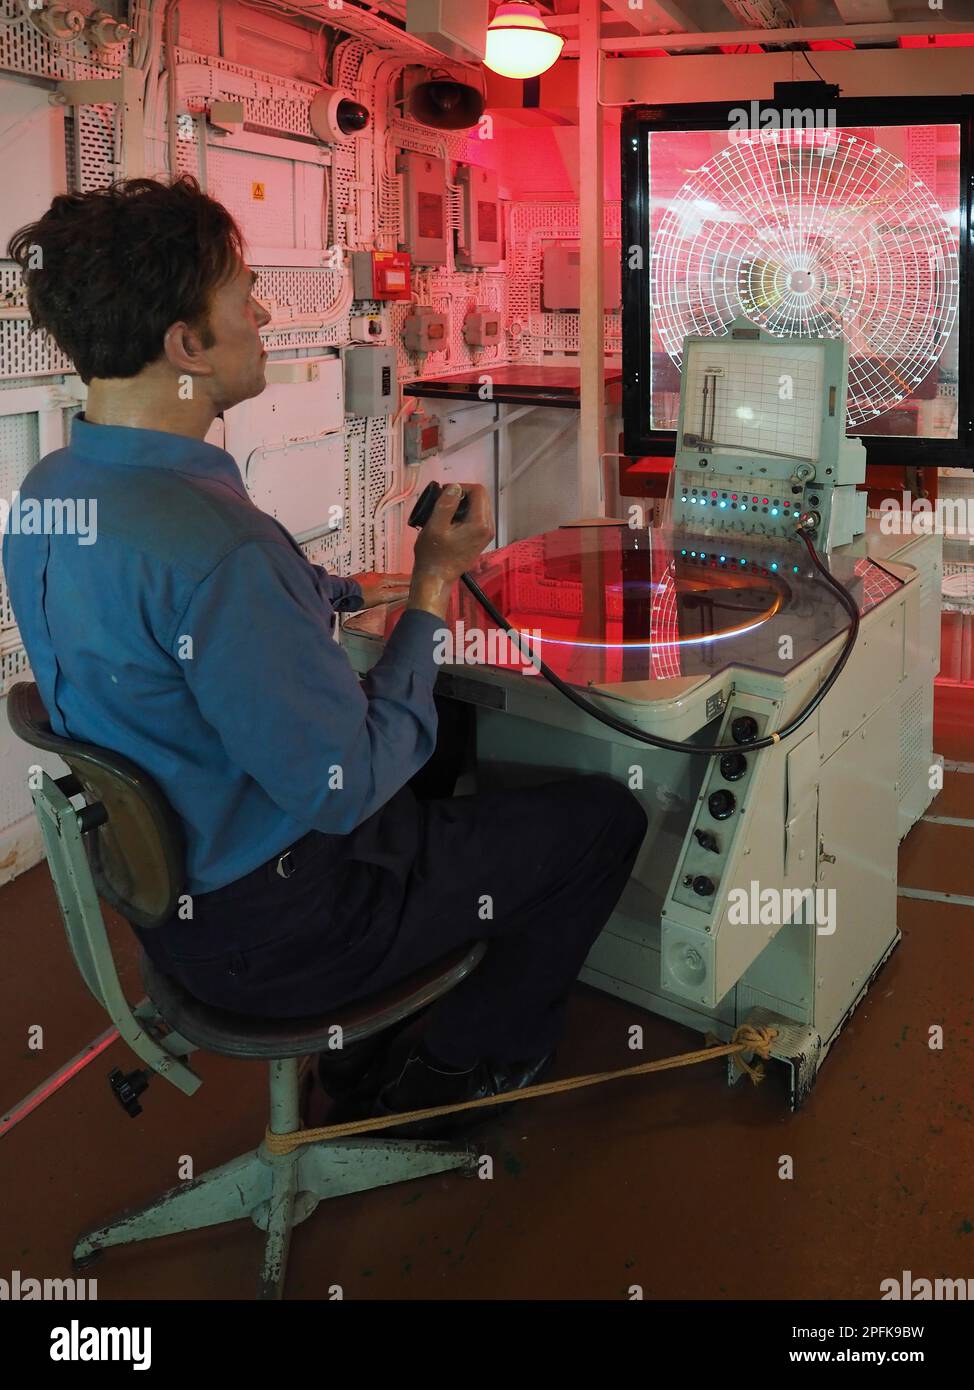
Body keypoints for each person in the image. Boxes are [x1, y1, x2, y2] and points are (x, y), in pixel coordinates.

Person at [2, 176, 648, 1133]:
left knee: (445, 759)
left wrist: (322, 595)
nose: (264, 312)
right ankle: (455, 1073)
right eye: (243, 293)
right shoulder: (216, 545)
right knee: (601, 820)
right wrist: (430, 583)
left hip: (176, 909)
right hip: (289, 929)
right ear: (186, 345)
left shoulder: (53, 489)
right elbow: (344, 787)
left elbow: (168, 635)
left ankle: (402, 1027)